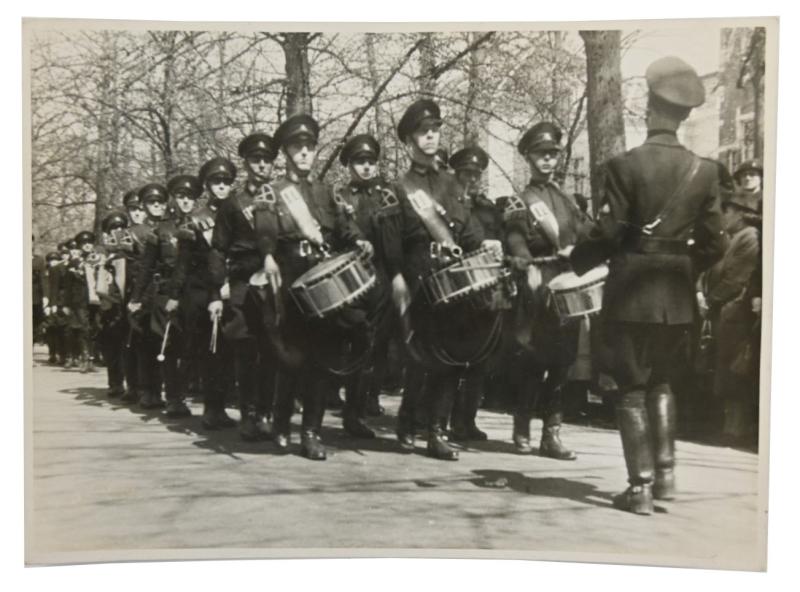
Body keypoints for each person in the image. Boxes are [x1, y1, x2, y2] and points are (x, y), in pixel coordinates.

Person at [570, 56, 727, 515]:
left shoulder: (624, 166)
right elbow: (716, 244)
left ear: (647, 108)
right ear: (683, 115)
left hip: (631, 294)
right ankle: (666, 478)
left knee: (631, 388)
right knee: (662, 384)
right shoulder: (706, 171)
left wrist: (577, 260)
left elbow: (610, 235)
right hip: (677, 298)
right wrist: (682, 265)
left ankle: (638, 488)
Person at [253, 113, 371, 460]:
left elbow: (344, 226)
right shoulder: (272, 192)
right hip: (289, 279)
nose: (304, 153)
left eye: (309, 147)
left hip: (322, 284)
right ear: (286, 152)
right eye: (297, 147)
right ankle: (280, 422)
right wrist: (267, 256)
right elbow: (263, 231)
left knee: (320, 359)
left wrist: (359, 240)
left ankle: (310, 432)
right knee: (291, 357)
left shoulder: (326, 191)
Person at [392, 98, 503, 460]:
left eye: (435, 131)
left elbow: (466, 228)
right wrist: (397, 277)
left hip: (452, 282)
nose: (430, 138)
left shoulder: (452, 182)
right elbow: (394, 241)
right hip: (419, 278)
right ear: (410, 140)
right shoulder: (402, 187)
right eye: (423, 133)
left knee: (449, 357)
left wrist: (484, 243)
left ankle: (435, 430)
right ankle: (408, 420)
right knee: (421, 358)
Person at [502, 122, 587, 460]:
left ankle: (552, 433)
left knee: (564, 362)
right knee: (534, 360)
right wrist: (525, 263)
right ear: (528, 157)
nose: (548, 160)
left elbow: (585, 232)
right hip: (538, 284)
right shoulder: (520, 200)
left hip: (569, 286)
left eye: (552, 154)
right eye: (541, 154)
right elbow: (515, 238)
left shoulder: (567, 199)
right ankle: (522, 425)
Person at [336, 133, 404, 438]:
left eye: (370, 162)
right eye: (359, 162)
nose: (365, 167)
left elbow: (395, 239)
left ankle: (362, 407)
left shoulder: (387, 196)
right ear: (349, 165)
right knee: (354, 344)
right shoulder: (340, 197)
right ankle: (350, 411)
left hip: (381, 280)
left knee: (377, 347)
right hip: (351, 280)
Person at [205, 151, 275, 442]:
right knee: (246, 350)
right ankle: (247, 414)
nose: (261, 164)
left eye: (267, 159)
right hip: (243, 282)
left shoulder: (281, 195)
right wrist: (214, 292)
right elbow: (218, 249)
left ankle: (266, 412)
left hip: (274, 281)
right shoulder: (233, 203)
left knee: (272, 350)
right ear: (247, 164)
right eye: (255, 159)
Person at [447, 145, 505, 441]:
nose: (471, 179)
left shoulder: (488, 209)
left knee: (480, 359)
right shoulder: (447, 205)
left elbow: (500, 241)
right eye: (465, 173)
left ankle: (466, 420)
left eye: (475, 174)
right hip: (456, 288)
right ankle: (441, 418)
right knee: (453, 358)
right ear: (455, 175)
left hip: (484, 289)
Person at [172, 171, 237, 430]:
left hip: (233, 287)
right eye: (216, 182)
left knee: (229, 350)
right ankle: (209, 408)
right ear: (208, 186)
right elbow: (183, 263)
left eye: (226, 182)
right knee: (207, 349)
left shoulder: (237, 211)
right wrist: (175, 295)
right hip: (201, 291)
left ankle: (221, 406)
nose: (221, 186)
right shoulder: (196, 220)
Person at [701, 191, 761, 444]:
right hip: (723, 309)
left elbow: (737, 277)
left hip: (736, 310)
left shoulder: (750, 238)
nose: (723, 217)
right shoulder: (731, 237)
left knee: (735, 368)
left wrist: (711, 298)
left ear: (739, 213)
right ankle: (728, 425)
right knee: (724, 367)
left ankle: (736, 428)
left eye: (727, 212)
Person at [128, 184, 171, 410]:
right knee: (145, 342)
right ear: (143, 206)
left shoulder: (170, 227)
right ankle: (147, 390)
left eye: (160, 202)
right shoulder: (135, 233)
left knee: (164, 341)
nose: (157, 207)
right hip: (145, 293)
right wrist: (135, 298)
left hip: (165, 289)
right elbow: (141, 268)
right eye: (152, 203)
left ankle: (163, 389)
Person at [96, 211, 131, 398]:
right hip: (111, 302)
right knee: (113, 344)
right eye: (113, 228)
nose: (118, 231)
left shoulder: (130, 247)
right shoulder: (102, 252)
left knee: (129, 344)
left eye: (121, 227)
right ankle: (116, 382)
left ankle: (133, 383)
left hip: (129, 300)